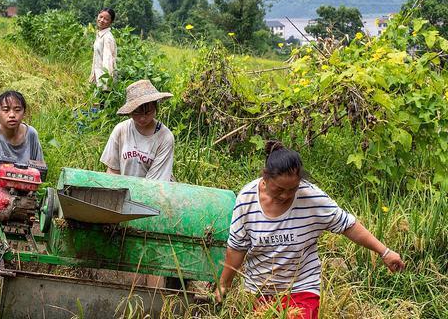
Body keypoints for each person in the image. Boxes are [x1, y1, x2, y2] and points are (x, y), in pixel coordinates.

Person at [215, 141, 405, 318]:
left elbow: (348, 225)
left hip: (301, 287)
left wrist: (384, 252)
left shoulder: (311, 197)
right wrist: (224, 285)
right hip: (260, 289)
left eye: (293, 189)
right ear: (265, 177)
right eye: (280, 189)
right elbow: (237, 248)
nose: (286, 195)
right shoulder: (247, 199)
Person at [101, 79, 174, 182]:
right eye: (137, 113)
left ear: (155, 108)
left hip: (152, 191)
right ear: (130, 112)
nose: (142, 118)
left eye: (147, 112)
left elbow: (156, 182)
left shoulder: (165, 137)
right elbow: (113, 171)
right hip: (123, 190)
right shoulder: (121, 130)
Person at [0, 90, 44, 195]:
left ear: (24, 113)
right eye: (6, 110)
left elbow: (38, 171)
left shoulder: (31, 135)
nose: (12, 115)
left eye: (17, 110)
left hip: (24, 198)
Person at [89, 7, 117, 90]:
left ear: (110, 22)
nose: (101, 20)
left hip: (103, 82)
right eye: (101, 17)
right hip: (98, 79)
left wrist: (105, 87)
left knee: (100, 103)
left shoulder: (107, 38)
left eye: (106, 19)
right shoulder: (100, 35)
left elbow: (108, 62)